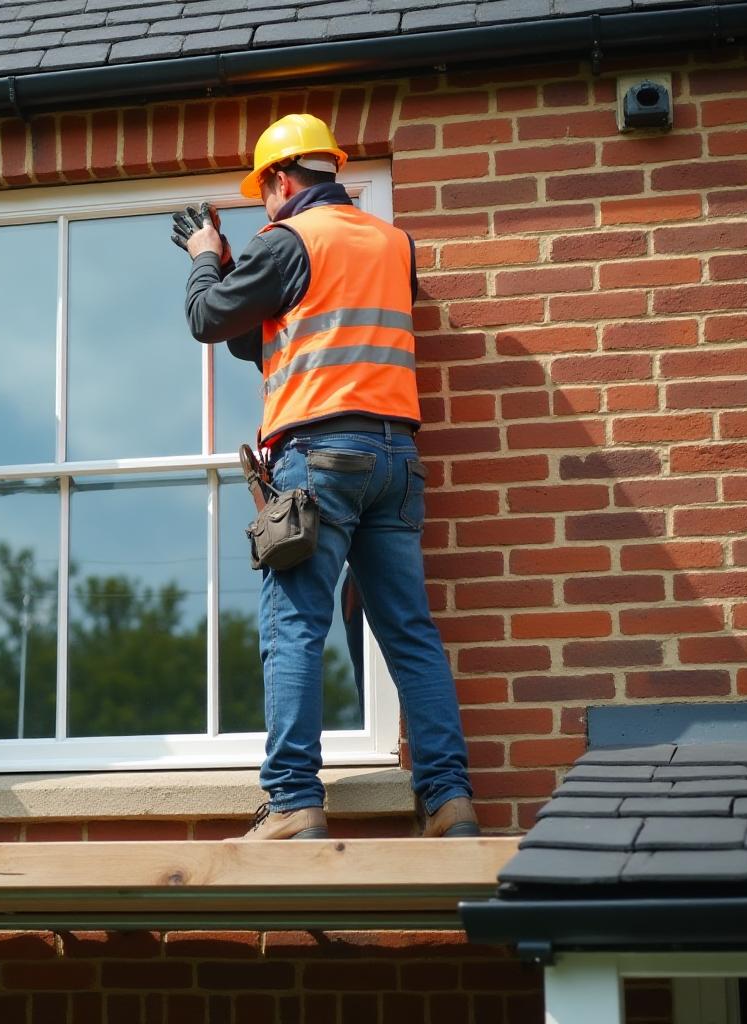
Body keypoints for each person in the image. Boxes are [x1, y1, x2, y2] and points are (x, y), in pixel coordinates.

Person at [179, 114, 476, 841]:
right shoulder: (391, 242)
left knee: (294, 630)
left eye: (264, 192)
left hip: (320, 458)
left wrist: (204, 256)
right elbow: (274, 331)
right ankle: (449, 801)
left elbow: (208, 318)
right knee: (409, 632)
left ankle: (291, 801)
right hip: (396, 457)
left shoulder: (288, 239)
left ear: (281, 180)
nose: (263, 205)